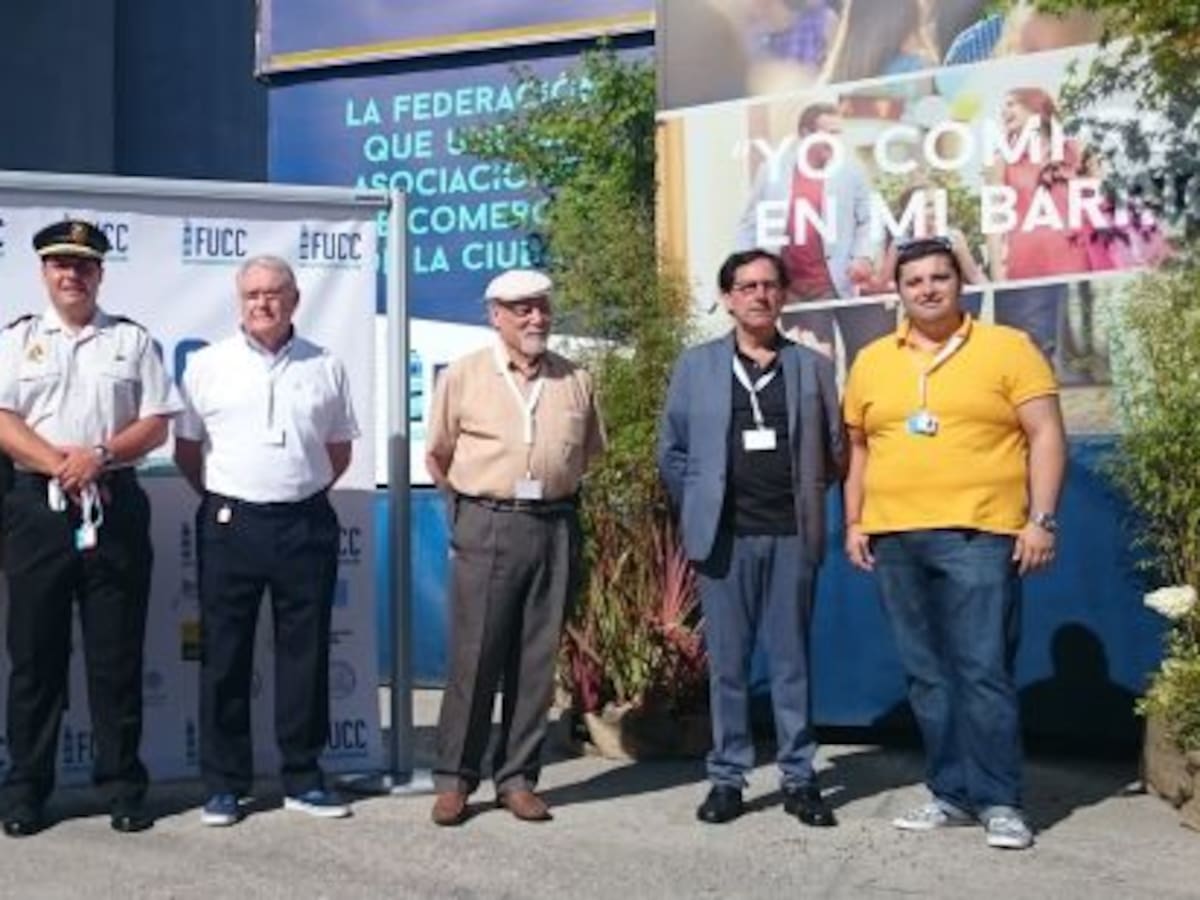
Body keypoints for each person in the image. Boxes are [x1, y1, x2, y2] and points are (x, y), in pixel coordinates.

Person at [842, 236, 1067, 850]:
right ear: (898, 291)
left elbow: (1046, 435)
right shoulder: (871, 360)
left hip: (981, 534)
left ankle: (1000, 801)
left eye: (939, 277)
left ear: (958, 283)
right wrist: (854, 521)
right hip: (894, 537)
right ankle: (951, 793)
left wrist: (1041, 520)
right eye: (914, 281)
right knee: (926, 675)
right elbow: (858, 448)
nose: (927, 289)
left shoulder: (1008, 347)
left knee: (982, 670)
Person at [0, 220, 182, 836]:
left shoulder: (132, 341)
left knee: (116, 657)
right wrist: (61, 465)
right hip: (36, 510)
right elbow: (3, 418)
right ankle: (26, 790)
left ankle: (123, 787)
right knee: (35, 658)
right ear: (44, 272)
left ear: (100, 273)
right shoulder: (16, 339)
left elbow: (156, 421)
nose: (71, 274)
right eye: (60, 264)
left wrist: (98, 456)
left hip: (114, 505)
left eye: (83, 265)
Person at [658, 249, 845, 827]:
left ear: (783, 295)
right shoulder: (697, 366)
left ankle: (799, 778)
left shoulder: (811, 368)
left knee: (792, 662)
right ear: (728, 298)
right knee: (729, 666)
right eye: (747, 286)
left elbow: (834, 450)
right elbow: (672, 451)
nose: (760, 295)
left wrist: (808, 493)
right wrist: (701, 504)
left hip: (791, 534)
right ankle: (727, 778)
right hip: (725, 538)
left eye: (769, 285)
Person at [174, 255, 359, 827]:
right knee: (224, 653)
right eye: (252, 293)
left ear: (294, 300)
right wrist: (235, 495)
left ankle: (303, 776)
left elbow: (339, 450)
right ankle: (223, 786)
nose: (262, 303)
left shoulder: (325, 365)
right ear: (240, 300)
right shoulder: (207, 365)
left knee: (305, 654)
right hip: (231, 522)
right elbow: (187, 450)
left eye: (274, 292)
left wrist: (293, 489)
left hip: (305, 523)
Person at [425, 269, 605, 827]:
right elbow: (438, 454)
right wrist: (469, 514)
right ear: (495, 316)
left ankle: (518, 779)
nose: (536, 318)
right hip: (488, 522)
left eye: (542, 307)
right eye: (522, 308)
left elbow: (588, 453)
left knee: (536, 661)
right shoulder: (464, 375)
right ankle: (456, 780)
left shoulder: (575, 378)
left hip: (554, 525)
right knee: (475, 657)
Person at [735, 103, 886, 368]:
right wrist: (746, 272)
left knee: (863, 360)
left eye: (838, 133)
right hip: (795, 288)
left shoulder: (851, 170)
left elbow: (871, 219)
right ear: (805, 134)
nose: (835, 141)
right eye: (829, 133)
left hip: (840, 279)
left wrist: (863, 256)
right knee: (815, 364)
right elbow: (749, 224)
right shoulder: (773, 170)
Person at [987, 87, 1091, 362]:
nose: (1004, 111)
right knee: (1031, 344)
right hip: (1026, 263)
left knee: (1075, 339)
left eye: (1012, 103)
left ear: (1036, 107)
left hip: (1074, 256)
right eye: (1004, 105)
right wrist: (998, 275)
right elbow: (994, 222)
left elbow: (1102, 202)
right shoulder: (1003, 160)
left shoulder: (1075, 150)